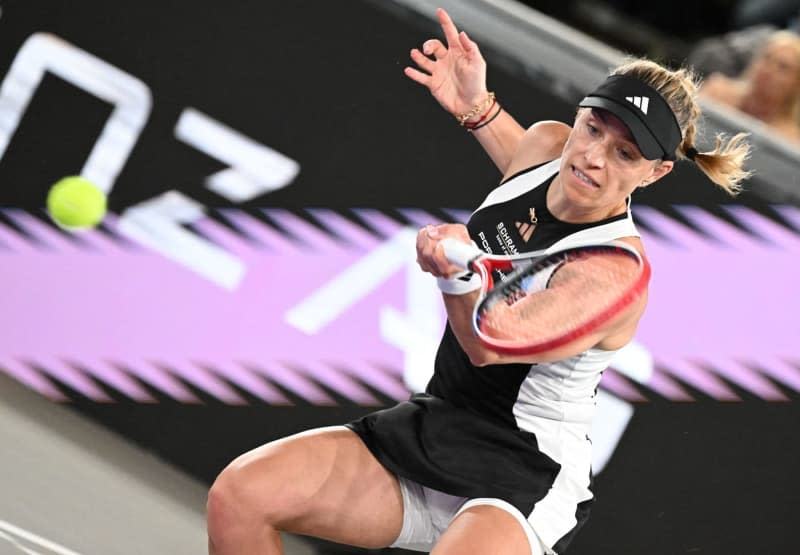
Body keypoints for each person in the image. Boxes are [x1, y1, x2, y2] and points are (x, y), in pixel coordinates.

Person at [206, 8, 751, 555]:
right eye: (592, 128)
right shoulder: (545, 147)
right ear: (580, 113)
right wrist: (475, 106)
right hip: (440, 423)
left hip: (522, 475)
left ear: (654, 173)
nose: (591, 157)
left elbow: (492, 344)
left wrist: (459, 274)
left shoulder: (613, 269)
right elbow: (521, 170)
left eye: (624, 153)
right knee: (242, 495)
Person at [700, 29, 800, 143]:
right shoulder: (716, 91)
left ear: (796, 84)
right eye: (767, 57)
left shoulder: (790, 139)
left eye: (783, 67)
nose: (768, 70)